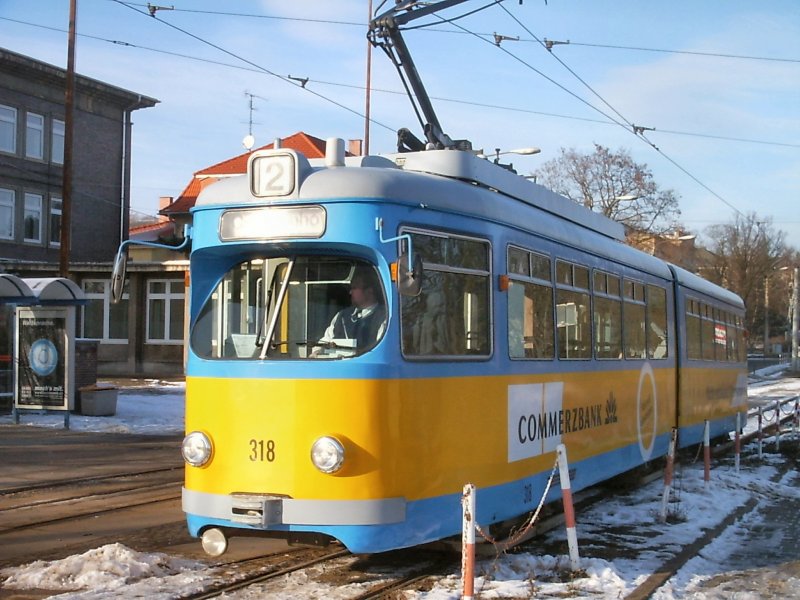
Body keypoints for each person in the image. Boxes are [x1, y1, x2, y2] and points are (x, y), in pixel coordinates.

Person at [312, 267, 386, 356]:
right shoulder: (341, 316)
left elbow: (380, 352)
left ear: (369, 290)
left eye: (354, 288)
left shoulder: (384, 318)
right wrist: (317, 353)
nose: (350, 292)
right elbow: (324, 342)